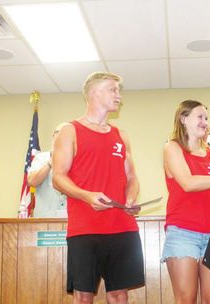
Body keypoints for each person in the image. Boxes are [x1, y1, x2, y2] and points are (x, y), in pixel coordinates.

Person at [52, 72, 144, 304]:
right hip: (85, 228)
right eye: (113, 89)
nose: (119, 95)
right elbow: (58, 178)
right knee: (83, 296)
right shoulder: (69, 131)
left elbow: (132, 177)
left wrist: (130, 200)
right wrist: (87, 195)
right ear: (95, 93)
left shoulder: (120, 135)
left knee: (119, 294)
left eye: (118, 90)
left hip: (122, 227)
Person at [161, 99, 210, 304]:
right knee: (186, 299)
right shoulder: (172, 148)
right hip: (183, 233)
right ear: (184, 119)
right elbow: (188, 183)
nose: (205, 122)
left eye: (207, 118)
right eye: (200, 117)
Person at [27, 123, 67, 217]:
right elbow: (32, 182)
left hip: (70, 218)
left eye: (66, 134)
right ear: (53, 137)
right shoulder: (40, 158)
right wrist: (51, 161)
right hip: (45, 218)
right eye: (59, 133)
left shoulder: (78, 159)